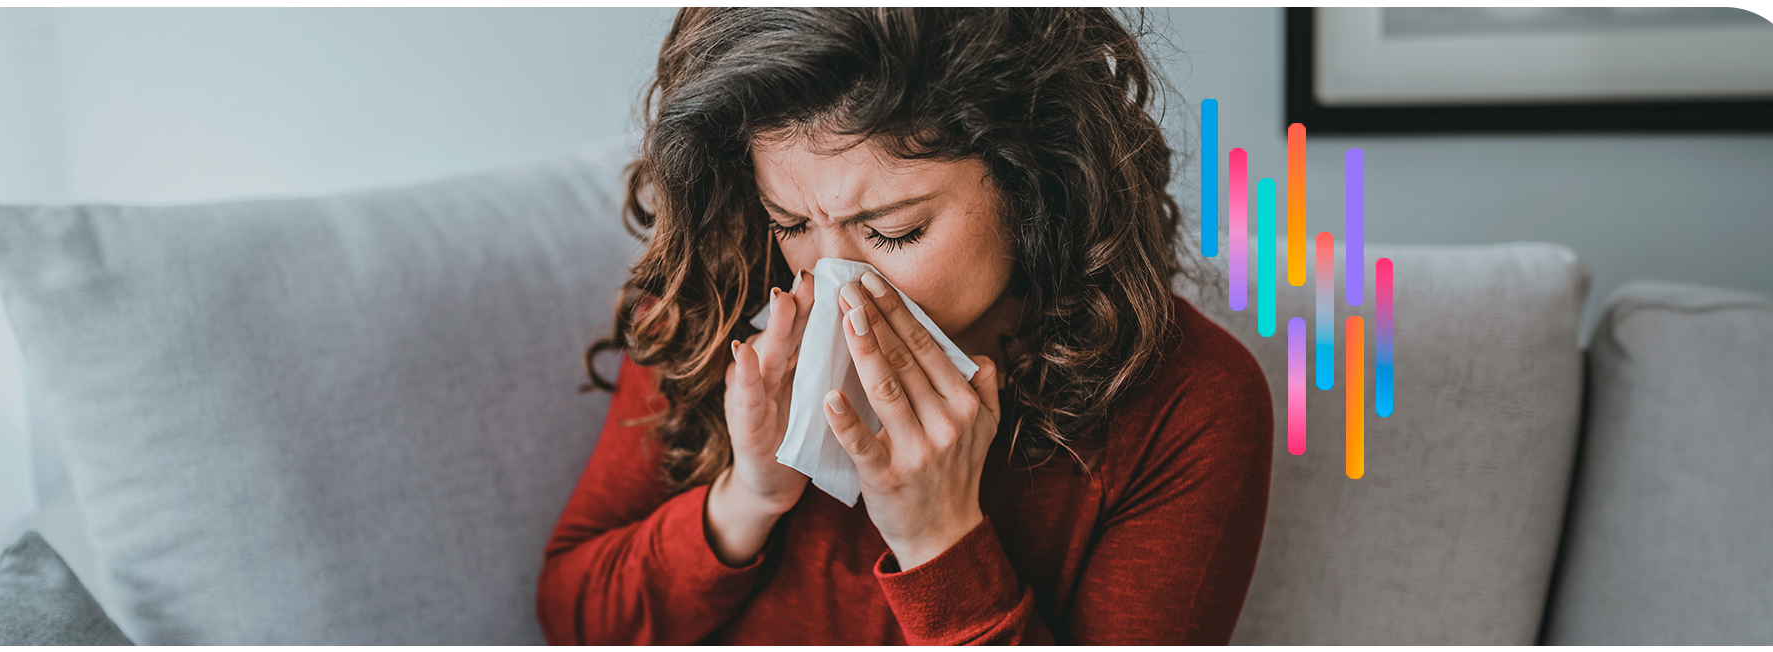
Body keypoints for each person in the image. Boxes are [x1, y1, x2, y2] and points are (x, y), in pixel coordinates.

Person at [537, 7, 1272, 645]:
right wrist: (747, 497)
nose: (832, 281)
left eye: (892, 231)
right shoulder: (718, 300)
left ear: (1037, 184)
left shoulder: (1190, 406)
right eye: (790, 223)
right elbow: (574, 620)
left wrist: (938, 542)